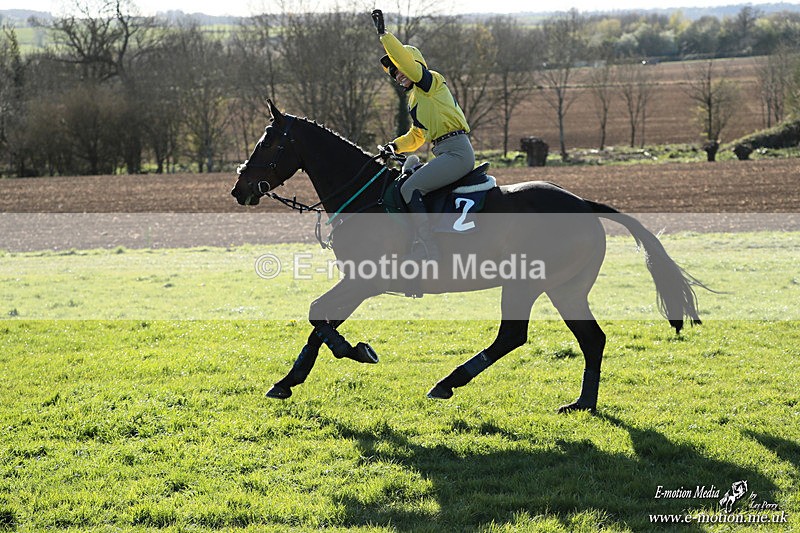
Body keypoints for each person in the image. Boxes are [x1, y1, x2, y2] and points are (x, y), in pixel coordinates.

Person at [372, 9, 475, 262]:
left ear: (415, 65)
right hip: (444, 152)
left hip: (457, 152)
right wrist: (393, 147)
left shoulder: (430, 83)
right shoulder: (415, 101)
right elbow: (417, 136)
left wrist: (385, 36)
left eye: (400, 69)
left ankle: (428, 248)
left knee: (410, 187)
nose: (398, 75)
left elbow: (410, 66)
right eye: (394, 73)